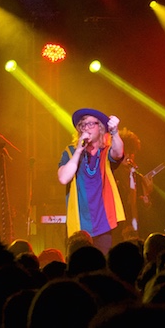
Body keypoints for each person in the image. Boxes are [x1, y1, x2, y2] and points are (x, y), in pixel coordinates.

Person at [57, 107, 126, 255]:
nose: (85, 128)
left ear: (100, 128)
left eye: (90, 124)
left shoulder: (106, 151)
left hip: (104, 223)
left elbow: (119, 153)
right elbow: (63, 178)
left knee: (102, 265)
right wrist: (79, 150)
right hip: (79, 225)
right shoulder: (70, 152)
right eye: (82, 125)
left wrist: (115, 132)